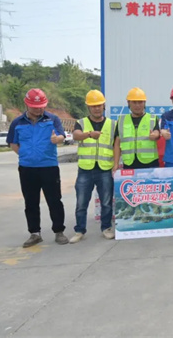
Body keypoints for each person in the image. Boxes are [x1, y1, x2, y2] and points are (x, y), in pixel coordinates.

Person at [7, 88, 69, 247]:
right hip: (27, 168)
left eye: (42, 106)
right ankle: (35, 233)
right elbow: (13, 143)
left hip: (49, 167)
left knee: (54, 200)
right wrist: (26, 155)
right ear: (27, 105)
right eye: (35, 107)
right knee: (31, 201)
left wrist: (57, 139)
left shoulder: (52, 119)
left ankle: (59, 231)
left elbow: (62, 136)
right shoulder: (17, 122)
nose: (39, 109)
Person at [69, 90, 117, 244]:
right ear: (88, 107)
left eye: (99, 105)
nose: (96, 108)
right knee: (81, 202)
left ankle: (106, 228)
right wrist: (89, 134)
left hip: (104, 168)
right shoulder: (81, 123)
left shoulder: (112, 124)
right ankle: (79, 230)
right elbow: (76, 135)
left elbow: (116, 145)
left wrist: (116, 165)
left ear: (104, 106)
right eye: (93, 106)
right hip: (86, 169)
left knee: (106, 202)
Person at [113, 87, 160, 171]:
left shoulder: (152, 118)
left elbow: (157, 133)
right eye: (134, 102)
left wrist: (155, 135)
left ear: (144, 103)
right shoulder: (122, 120)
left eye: (140, 102)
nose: (137, 105)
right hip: (129, 165)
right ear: (128, 103)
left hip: (150, 164)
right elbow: (117, 144)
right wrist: (116, 164)